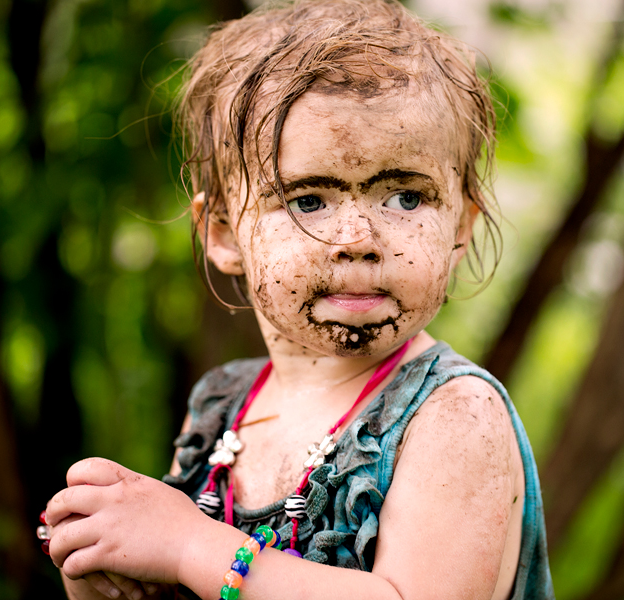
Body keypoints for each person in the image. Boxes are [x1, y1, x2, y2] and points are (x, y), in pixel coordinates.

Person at [42, 1, 554, 599]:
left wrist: (188, 545)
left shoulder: (454, 417)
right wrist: (106, 568)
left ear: (460, 225)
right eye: (309, 200)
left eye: (406, 197)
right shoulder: (221, 407)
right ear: (225, 233)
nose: (358, 240)